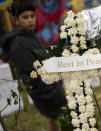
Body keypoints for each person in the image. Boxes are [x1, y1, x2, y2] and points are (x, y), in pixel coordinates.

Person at [0, 0, 66, 131]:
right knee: (65, 121)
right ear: (15, 20)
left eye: (32, 16)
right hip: (46, 94)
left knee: (54, 121)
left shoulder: (29, 36)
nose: (30, 20)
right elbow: (29, 75)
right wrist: (51, 93)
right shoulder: (19, 44)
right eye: (25, 17)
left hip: (52, 88)